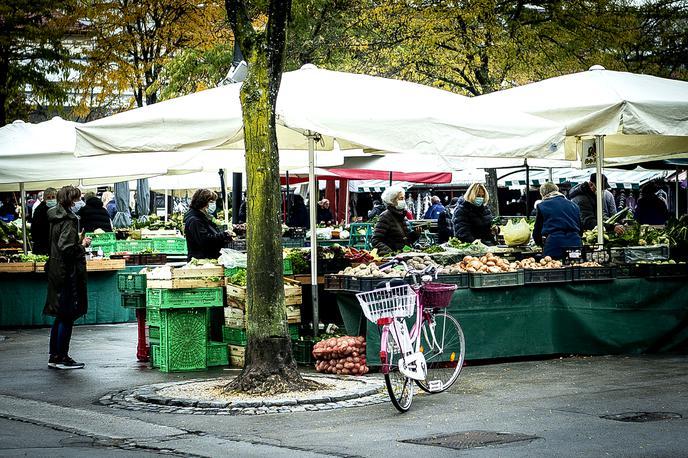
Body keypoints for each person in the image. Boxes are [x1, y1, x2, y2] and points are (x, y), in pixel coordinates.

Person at [44, 186, 91, 370]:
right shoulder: (68, 221)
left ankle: (55, 355)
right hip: (67, 272)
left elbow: (59, 244)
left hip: (56, 270)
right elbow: (67, 248)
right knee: (67, 315)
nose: (80, 202)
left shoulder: (55, 218)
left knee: (60, 315)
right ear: (71, 200)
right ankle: (62, 356)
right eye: (78, 198)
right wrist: (81, 245)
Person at [532, 183, 581, 259]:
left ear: (542, 194)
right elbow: (580, 229)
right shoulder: (574, 205)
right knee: (574, 268)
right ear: (557, 191)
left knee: (553, 267)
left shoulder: (542, 206)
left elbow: (537, 231)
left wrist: (540, 244)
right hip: (575, 243)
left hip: (554, 244)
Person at [184, 189, 232, 260]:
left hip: (208, 258)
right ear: (203, 202)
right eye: (211, 202)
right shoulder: (195, 220)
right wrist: (224, 235)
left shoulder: (203, 217)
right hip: (202, 261)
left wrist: (225, 237)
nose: (213, 204)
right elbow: (205, 240)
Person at [371, 185, 419, 254]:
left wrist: (415, 234)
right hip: (392, 258)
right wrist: (389, 252)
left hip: (404, 254)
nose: (403, 201)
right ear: (392, 201)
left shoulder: (403, 216)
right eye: (401, 198)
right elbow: (375, 240)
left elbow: (406, 240)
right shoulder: (385, 217)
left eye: (403, 198)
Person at [30, 187, 57, 256]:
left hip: (55, 243)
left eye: (53, 197)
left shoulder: (59, 209)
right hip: (42, 243)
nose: (51, 199)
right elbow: (34, 227)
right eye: (48, 197)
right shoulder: (39, 210)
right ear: (44, 198)